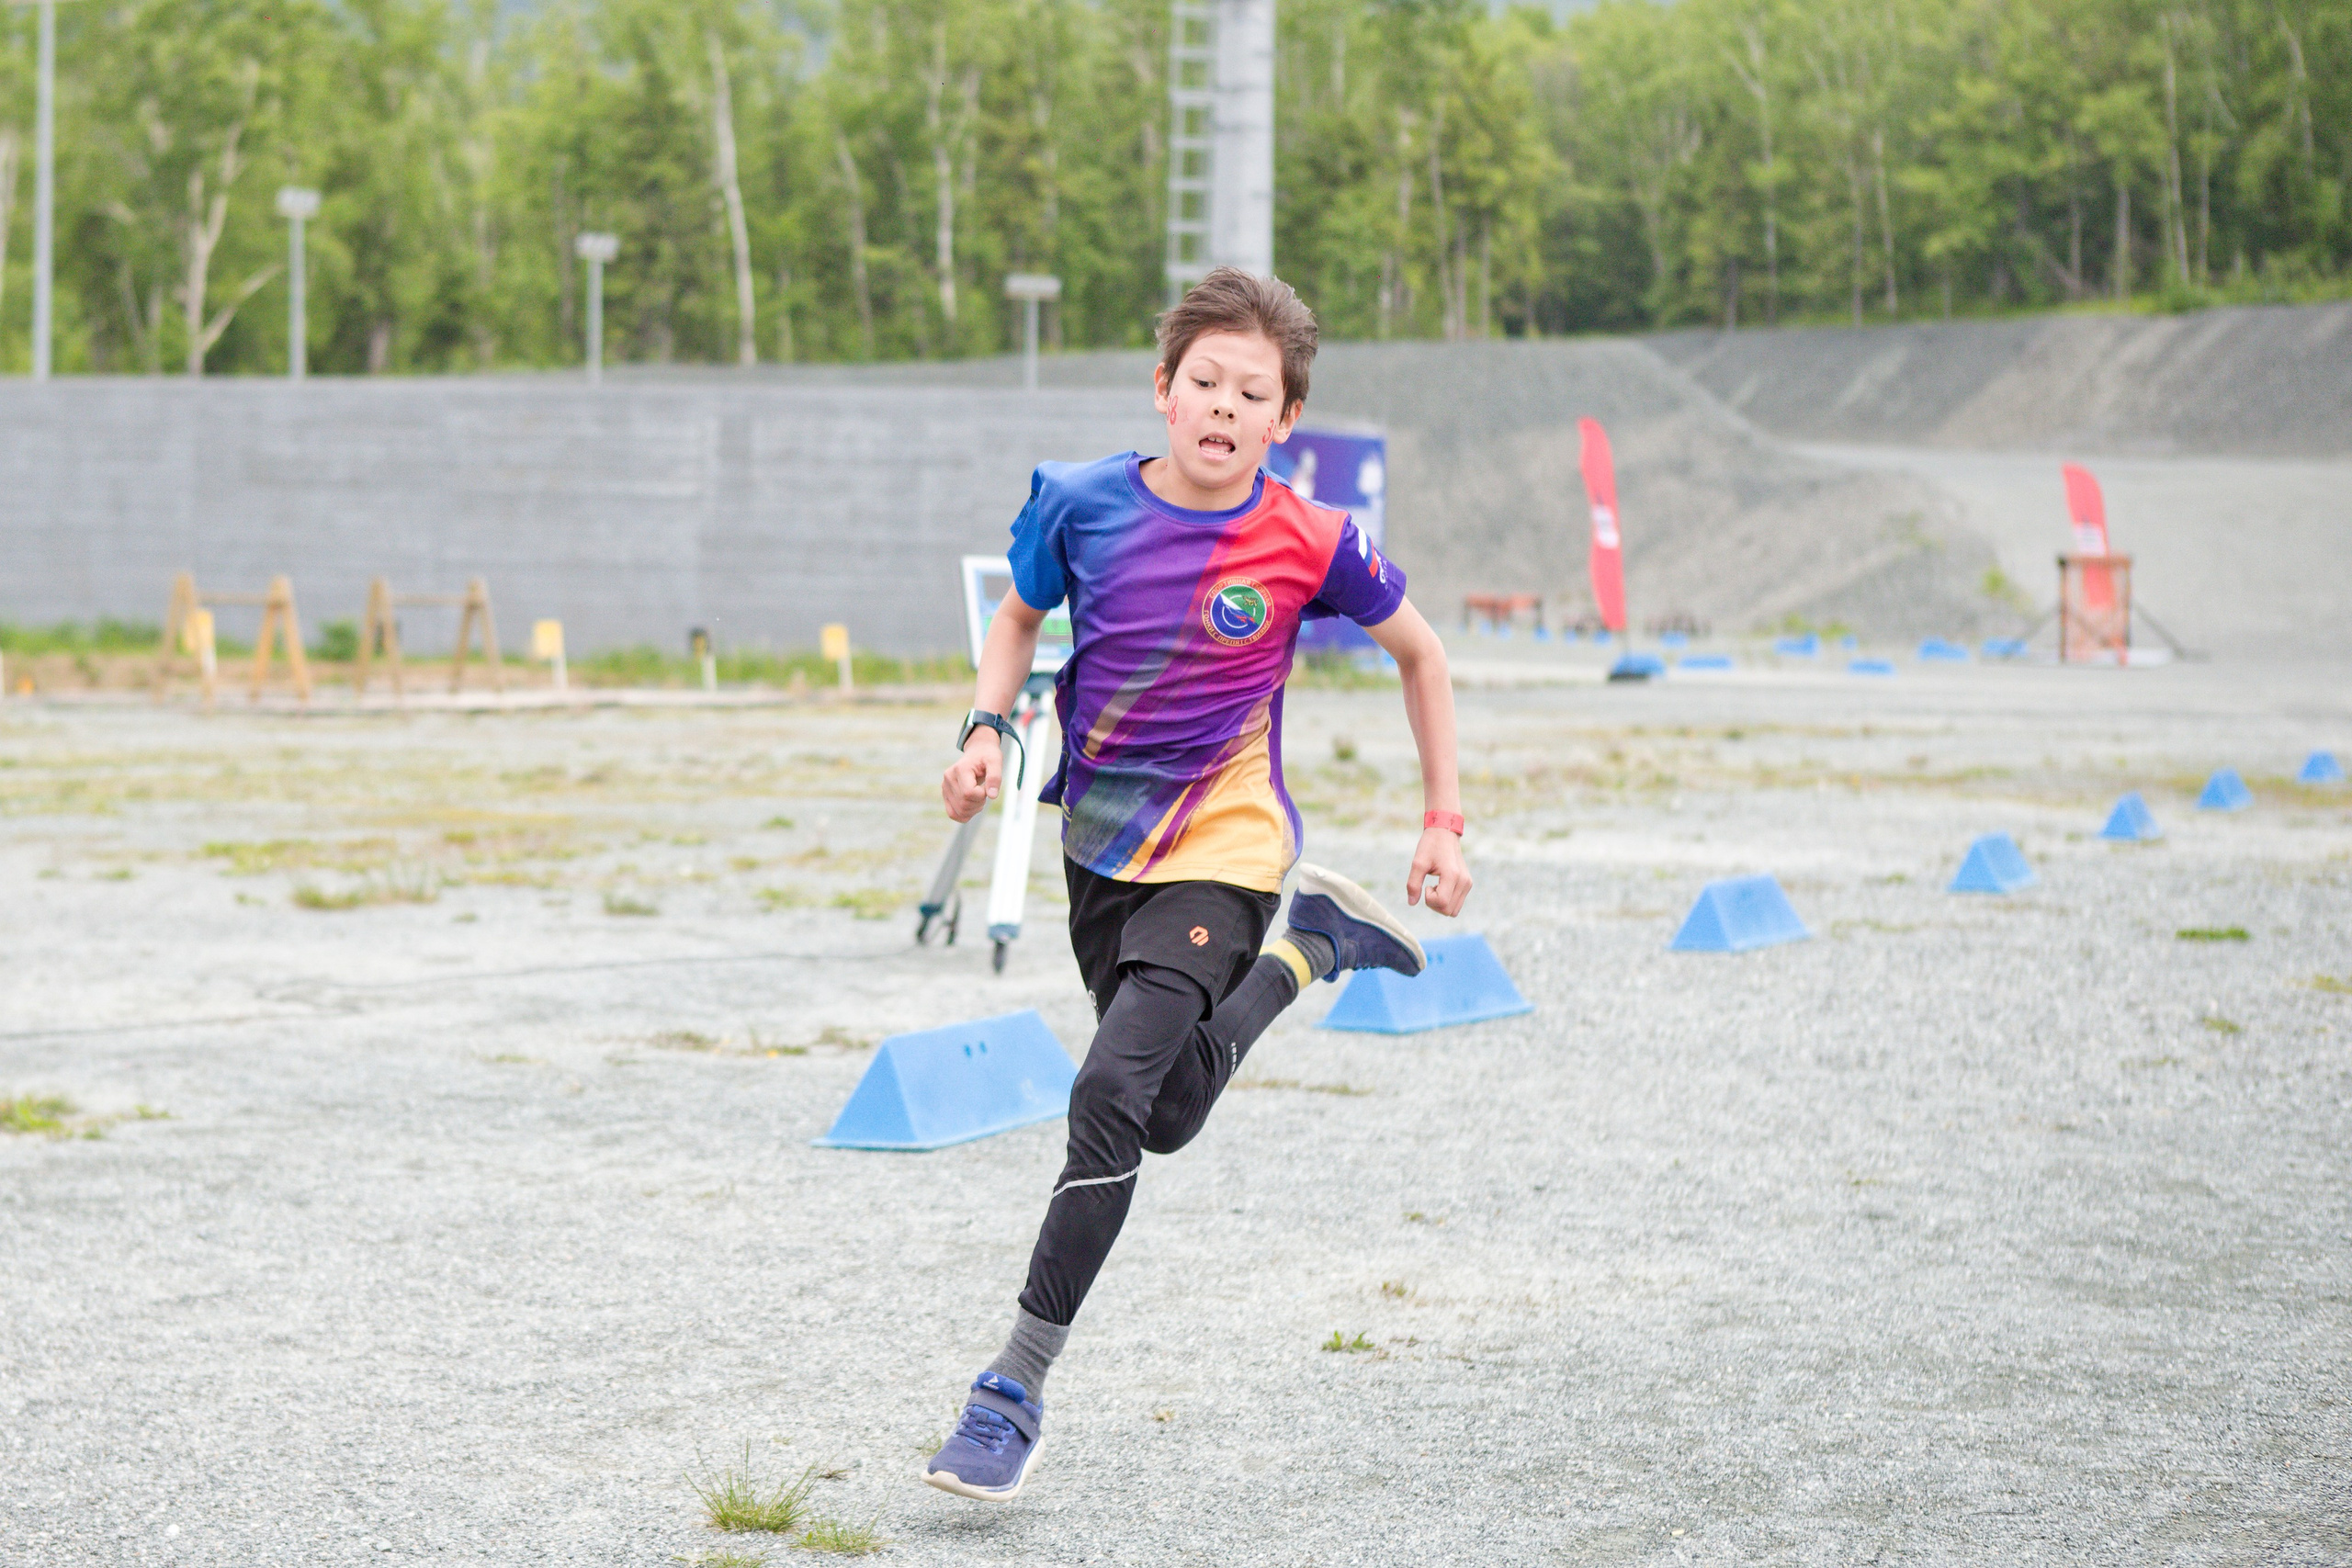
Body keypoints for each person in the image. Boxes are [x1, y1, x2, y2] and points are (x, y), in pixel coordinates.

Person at [922, 266, 1471, 1502]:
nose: (1226, 406)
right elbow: (1016, 621)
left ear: (1286, 421)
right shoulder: (1078, 505)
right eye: (1207, 382)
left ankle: (1010, 1391)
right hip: (1099, 853)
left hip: (1226, 850)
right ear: (1163, 391)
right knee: (1160, 1114)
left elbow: (1422, 654)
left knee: (1106, 1092)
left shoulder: (1309, 538)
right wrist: (986, 728)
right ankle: (1312, 948)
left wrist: (1443, 819)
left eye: (1253, 393)